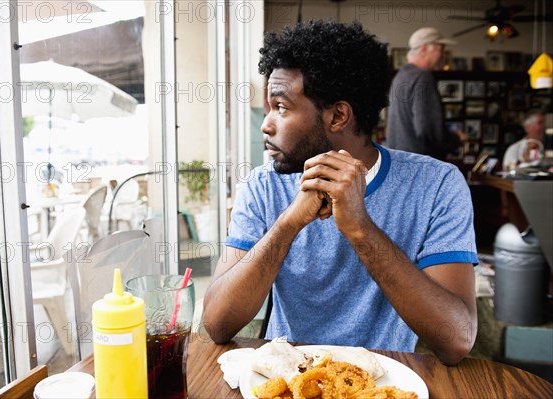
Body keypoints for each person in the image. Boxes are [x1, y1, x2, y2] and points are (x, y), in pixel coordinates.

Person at [203, 20, 478, 366]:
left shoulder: (436, 185)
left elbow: (457, 340)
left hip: (381, 383)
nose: (266, 124)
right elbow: (216, 324)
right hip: (283, 379)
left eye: (282, 107)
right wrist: (289, 222)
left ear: (338, 116)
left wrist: (360, 226)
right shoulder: (263, 185)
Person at [387, 27, 467, 160]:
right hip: (421, 168)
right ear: (424, 48)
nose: (443, 54)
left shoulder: (401, 76)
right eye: (440, 49)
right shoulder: (422, 77)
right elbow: (428, 128)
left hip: (400, 163)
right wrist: (455, 139)